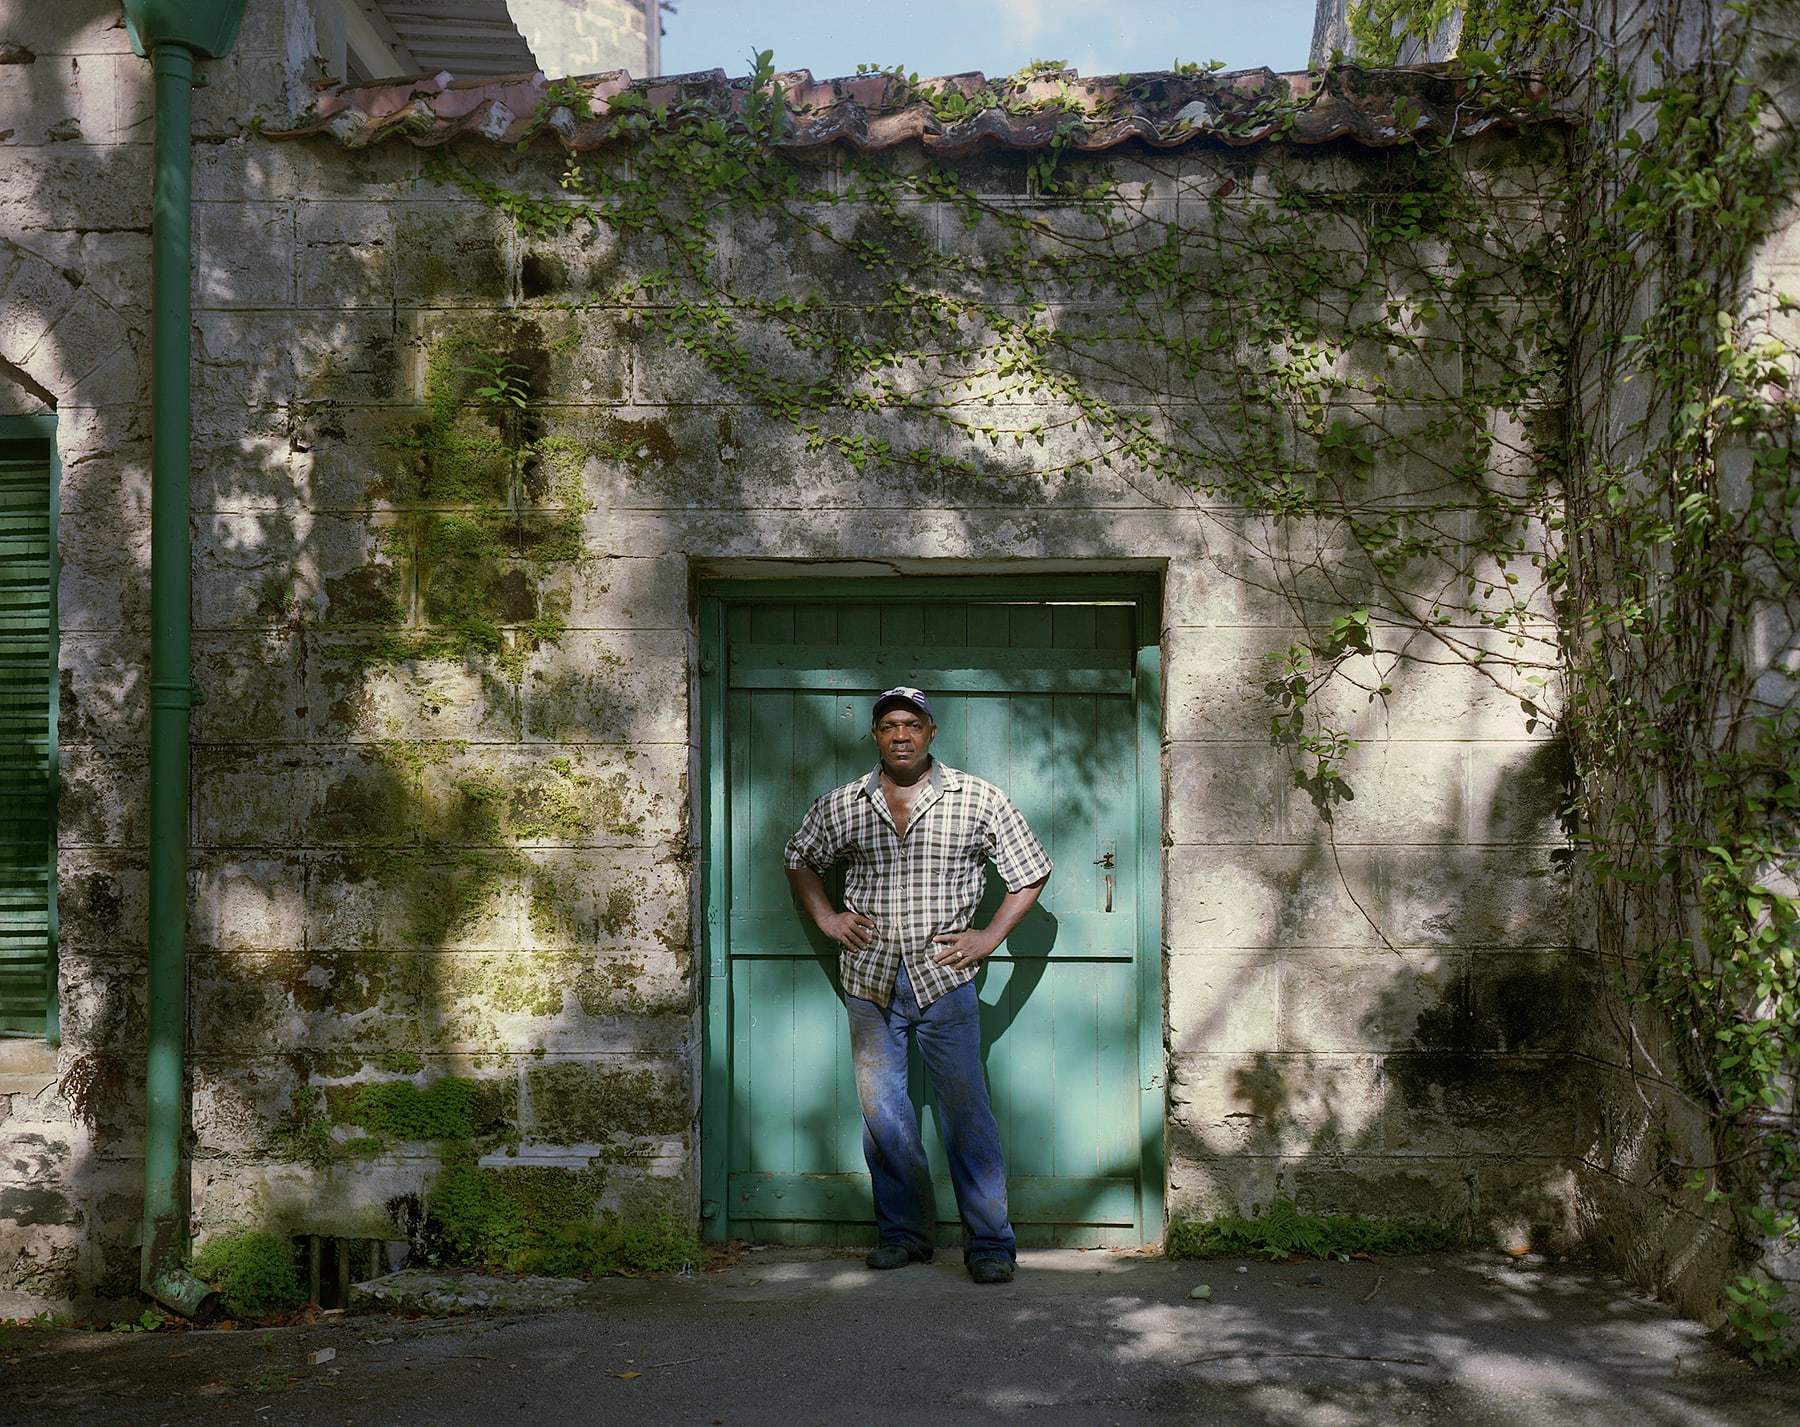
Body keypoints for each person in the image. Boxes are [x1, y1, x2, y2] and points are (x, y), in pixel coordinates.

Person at [783, 687, 1052, 1285]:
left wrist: (989, 937)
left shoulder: (977, 798)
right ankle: (904, 1235)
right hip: (870, 978)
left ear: (931, 731)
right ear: (875, 736)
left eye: (911, 724)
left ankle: (989, 1245)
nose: (900, 735)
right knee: (884, 1114)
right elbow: (799, 855)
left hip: (944, 979)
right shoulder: (844, 804)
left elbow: (1030, 870)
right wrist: (827, 918)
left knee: (966, 1112)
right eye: (887, 726)